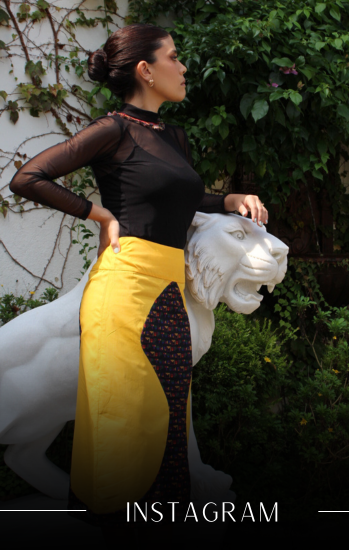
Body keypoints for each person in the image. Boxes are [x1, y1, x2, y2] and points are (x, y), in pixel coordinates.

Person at [9, 23, 268, 543]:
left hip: (169, 292)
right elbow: (27, 177)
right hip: (124, 289)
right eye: (174, 57)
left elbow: (178, 200)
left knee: (166, 425)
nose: (183, 67)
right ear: (146, 70)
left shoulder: (173, 136)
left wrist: (229, 200)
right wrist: (99, 215)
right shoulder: (113, 129)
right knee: (123, 423)